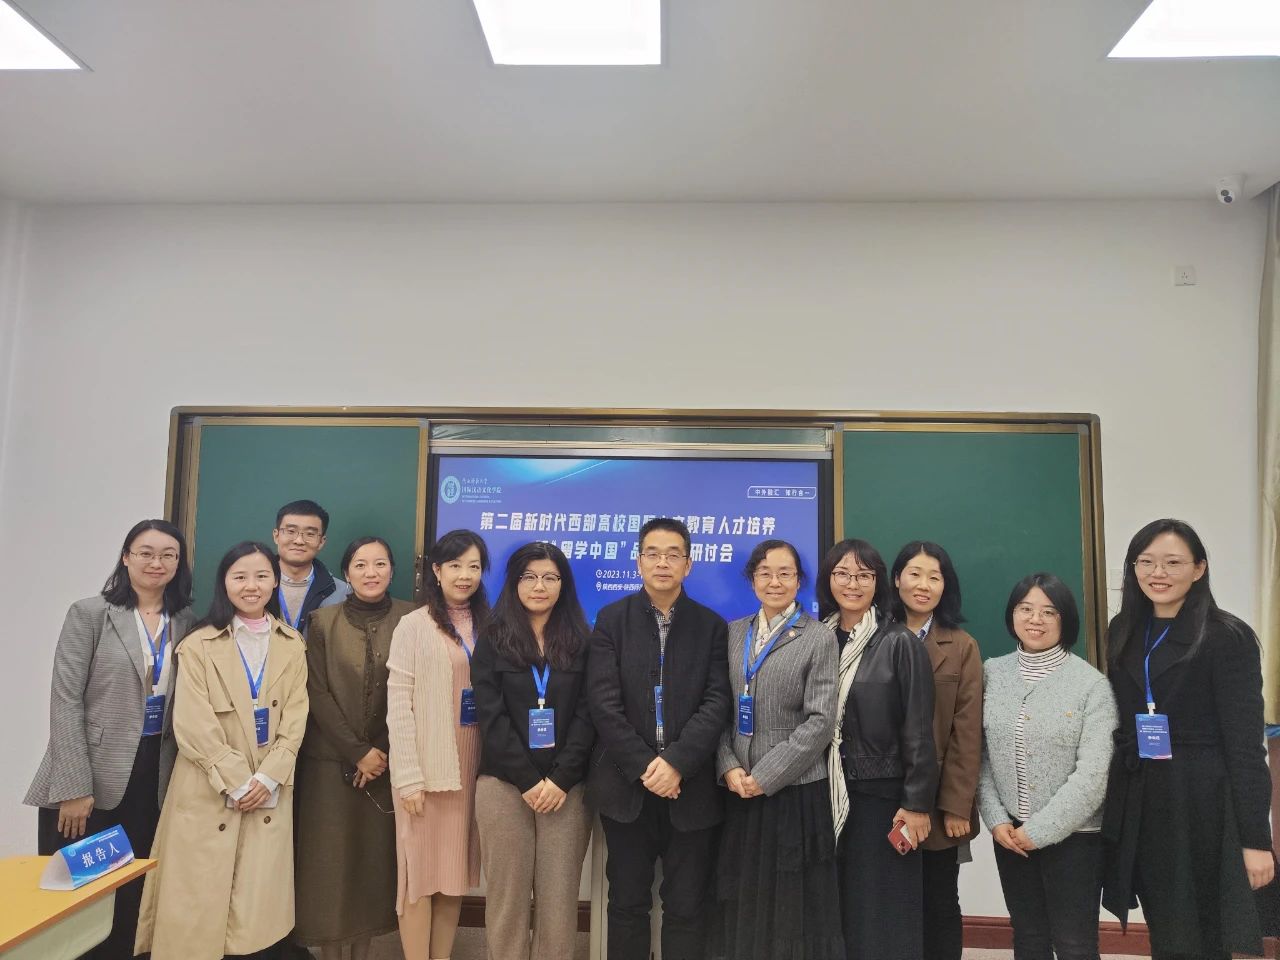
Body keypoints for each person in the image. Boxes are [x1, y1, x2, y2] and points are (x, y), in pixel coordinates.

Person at [1102, 519, 1277, 958]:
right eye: (1146, 562)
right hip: (1143, 795)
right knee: (1165, 923)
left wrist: (1256, 839)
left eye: (1173, 562)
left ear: (1199, 569)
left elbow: (1246, 745)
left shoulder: (1226, 635)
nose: (1157, 573)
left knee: (1206, 929)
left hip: (1203, 799)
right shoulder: (1122, 629)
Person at [25, 519, 195, 960]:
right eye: (146, 553)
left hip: (155, 772)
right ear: (126, 557)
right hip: (92, 774)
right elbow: (65, 701)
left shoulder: (186, 621)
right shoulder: (90, 614)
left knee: (133, 892)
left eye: (169, 555)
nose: (157, 562)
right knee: (80, 897)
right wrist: (74, 786)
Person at [135, 541, 309, 960]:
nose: (252, 586)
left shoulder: (292, 644)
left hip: (267, 791)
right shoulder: (198, 644)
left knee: (254, 914)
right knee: (196, 909)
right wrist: (238, 781)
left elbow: (296, 719)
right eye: (240, 576)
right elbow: (191, 723)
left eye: (262, 576)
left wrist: (268, 777)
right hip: (208, 788)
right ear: (224, 582)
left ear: (275, 581)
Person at [587, 517, 732, 960]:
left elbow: (717, 701)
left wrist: (676, 763)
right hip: (626, 787)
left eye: (673, 554)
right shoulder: (611, 620)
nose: (662, 563)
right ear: (638, 562)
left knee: (687, 907)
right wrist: (646, 767)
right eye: (653, 553)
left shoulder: (712, 625)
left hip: (691, 788)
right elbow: (603, 703)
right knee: (627, 904)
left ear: (689, 564)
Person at [713, 539, 842, 960]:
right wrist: (729, 766)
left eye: (785, 573)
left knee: (791, 904)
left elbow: (820, 721)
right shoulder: (733, 633)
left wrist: (765, 777)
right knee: (742, 894)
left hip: (794, 791)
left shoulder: (818, 637)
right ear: (752, 580)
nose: (775, 581)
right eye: (765, 572)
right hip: (738, 790)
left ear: (799, 581)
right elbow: (717, 708)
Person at [978, 573, 1117, 960]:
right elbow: (981, 755)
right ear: (1012, 615)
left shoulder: (1092, 686)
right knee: (1028, 937)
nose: (1035, 619)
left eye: (1048, 611)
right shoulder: (992, 673)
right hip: (1010, 834)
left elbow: (1094, 775)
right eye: (1025, 609)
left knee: (1075, 945)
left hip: (1076, 838)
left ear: (1065, 619)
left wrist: (1039, 831)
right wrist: (996, 819)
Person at [472, 542, 596, 960]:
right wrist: (527, 779)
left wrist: (560, 778)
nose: (539, 586)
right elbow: (490, 716)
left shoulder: (583, 640)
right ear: (514, 582)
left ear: (563, 584)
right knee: (506, 899)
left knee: (559, 900)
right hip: (504, 784)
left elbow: (588, 715)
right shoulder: (492, 639)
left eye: (549, 577)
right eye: (529, 577)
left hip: (567, 788)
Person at [294, 537, 415, 960]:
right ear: (346, 573)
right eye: (360, 565)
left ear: (392, 570)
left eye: (380, 563)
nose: (371, 572)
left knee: (371, 868)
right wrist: (356, 751)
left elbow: (413, 690)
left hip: (386, 764)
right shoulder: (321, 621)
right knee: (329, 869)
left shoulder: (412, 618)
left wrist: (378, 751)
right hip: (329, 764)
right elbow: (317, 692)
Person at [819, 538, 936, 960]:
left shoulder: (900, 643)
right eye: (843, 574)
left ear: (878, 582)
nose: (852, 584)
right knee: (837, 906)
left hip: (881, 796)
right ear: (828, 579)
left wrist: (916, 804)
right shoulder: (815, 638)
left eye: (864, 575)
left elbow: (919, 730)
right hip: (823, 789)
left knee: (883, 910)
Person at [386, 529, 490, 960]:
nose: (465, 575)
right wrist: (408, 778)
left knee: (453, 875)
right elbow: (398, 706)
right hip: (425, 772)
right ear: (436, 570)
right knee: (417, 878)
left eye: (474, 566)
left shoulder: (491, 625)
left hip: (473, 767)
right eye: (455, 565)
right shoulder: (413, 625)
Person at [890, 540, 982, 960]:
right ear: (896, 579)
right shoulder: (873, 635)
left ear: (946, 586)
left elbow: (967, 731)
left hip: (939, 799)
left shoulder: (962, 646)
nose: (923, 585)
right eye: (914, 574)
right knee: (887, 900)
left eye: (934, 576)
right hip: (878, 789)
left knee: (939, 900)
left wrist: (956, 806)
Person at [271, 499, 350, 636]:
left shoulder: (342, 593)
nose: (299, 541)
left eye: (310, 534)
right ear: (276, 536)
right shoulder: (253, 586)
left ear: (321, 542)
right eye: (291, 531)